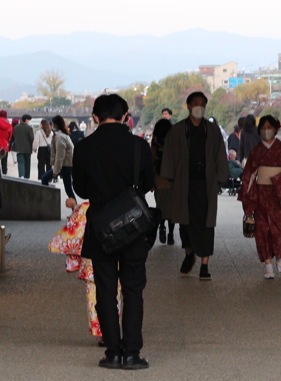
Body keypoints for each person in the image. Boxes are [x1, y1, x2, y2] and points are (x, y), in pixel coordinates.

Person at [72, 93, 155, 371]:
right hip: (132, 229)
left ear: (95, 117)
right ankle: (132, 353)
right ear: (125, 116)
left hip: (100, 229)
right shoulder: (139, 146)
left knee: (105, 291)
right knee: (133, 290)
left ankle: (112, 352)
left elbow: (81, 189)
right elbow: (147, 184)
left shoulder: (84, 147)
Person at [160, 92, 229, 281]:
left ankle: (205, 264)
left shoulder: (213, 130)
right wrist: (170, 179)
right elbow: (169, 156)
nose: (199, 107)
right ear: (189, 106)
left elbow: (220, 157)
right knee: (185, 222)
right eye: (196, 103)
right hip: (184, 183)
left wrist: (220, 179)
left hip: (206, 184)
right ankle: (189, 253)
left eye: (202, 104)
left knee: (207, 223)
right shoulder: (178, 131)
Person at [240, 115, 281, 279]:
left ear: (276, 129)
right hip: (262, 194)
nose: (266, 130)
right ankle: (268, 265)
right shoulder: (256, 151)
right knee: (263, 230)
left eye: (269, 127)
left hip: (280, 195)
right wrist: (248, 202)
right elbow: (248, 176)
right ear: (258, 130)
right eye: (263, 127)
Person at [48, 197, 116, 347]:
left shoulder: (85, 208)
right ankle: (114, 330)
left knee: (94, 296)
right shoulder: (119, 203)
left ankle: (102, 333)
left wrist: (73, 207)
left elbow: (75, 232)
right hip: (116, 257)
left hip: (92, 260)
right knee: (115, 293)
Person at [149, 118, 175, 246]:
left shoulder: (155, 141)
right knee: (172, 207)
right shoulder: (174, 141)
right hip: (172, 179)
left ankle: (161, 227)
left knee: (160, 206)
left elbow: (152, 159)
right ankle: (171, 234)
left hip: (159, 178)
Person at [44, 115, 76, 202]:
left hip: (64, 165)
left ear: (55, 125)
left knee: (44, 179)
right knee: (68, 188)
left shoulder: (59, 137)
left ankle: (48, 201)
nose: (51, 126)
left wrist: (56, 170)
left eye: (52, 124)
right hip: (68, 164)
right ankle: (76, 210)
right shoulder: (63, 134)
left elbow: (60, 155)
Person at [12, 114, 35, 179]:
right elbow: (31, 138)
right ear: (26, 120)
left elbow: (14, 136)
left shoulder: (16, 127)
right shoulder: (29, 128)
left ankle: (21, 175)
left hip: (18, 147)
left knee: (20, 162)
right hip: (27, 148)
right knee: (27, 163)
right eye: (29, 120)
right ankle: (27, 177)